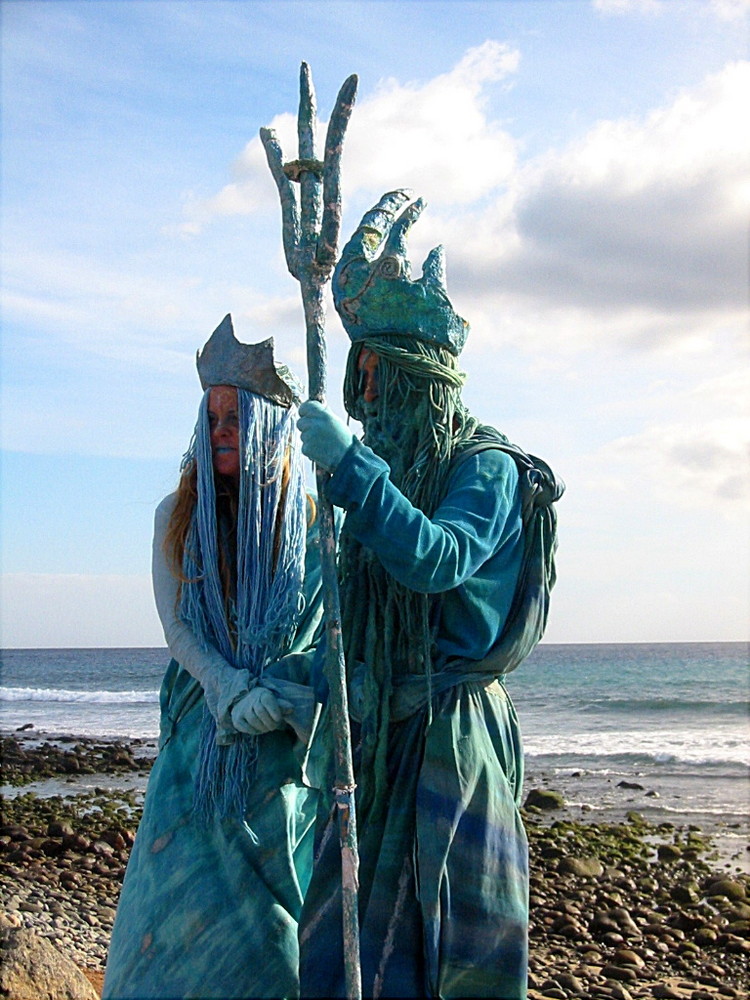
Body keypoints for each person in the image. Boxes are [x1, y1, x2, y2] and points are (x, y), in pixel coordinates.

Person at [296, 191, 563, 1000]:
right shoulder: (396, 472)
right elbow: (362, 625)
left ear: (415, 375)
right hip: (381, 738)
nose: (365, 400)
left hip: (451, 743)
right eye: (358, 380)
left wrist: (352, 471)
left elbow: (437, 559)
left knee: (451, 950)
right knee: (340, 952)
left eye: (376, 378)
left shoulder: (486, 466)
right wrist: (299, 678)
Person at [103, 316, 325, 1000]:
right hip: (202, 738)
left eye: (236, 417)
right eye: (213, 416)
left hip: (277, 748)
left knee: (273, 921)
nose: (222, 430)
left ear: (266, 426)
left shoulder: (312, 523)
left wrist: (275, 696)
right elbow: (180, 632)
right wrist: (230, 693)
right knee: (176, 899)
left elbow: (319, 637)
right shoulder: (176, 512)